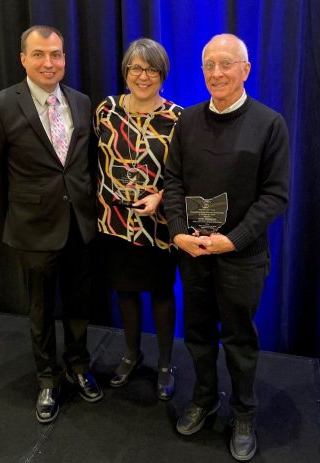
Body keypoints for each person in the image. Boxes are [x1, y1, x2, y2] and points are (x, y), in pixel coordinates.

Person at [163, 34, 289, 461]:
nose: (217, 74)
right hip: (193, 252)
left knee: (239, 339)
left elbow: (275, 195)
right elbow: (173, 181)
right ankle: (204, 398)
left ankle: (244, 411)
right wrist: (178, 231)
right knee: (197, 334)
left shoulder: (269, 124)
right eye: (209, 66)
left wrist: (232, 239)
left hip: (241, 256)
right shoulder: (188, 121)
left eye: (226, 64)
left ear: (245, 70)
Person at [0, 25, 103, 424]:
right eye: (39, 55)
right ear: (23, 59)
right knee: (41, 308)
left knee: (80, 304)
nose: (49, 63)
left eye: (57, 55)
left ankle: (79, 366)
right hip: (33, 229)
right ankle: (48, 379)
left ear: (64, 58)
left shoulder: (82, 102)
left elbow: (87, 165)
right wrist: (25, 207)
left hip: (80, 225)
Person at [94, 38, 183, 400]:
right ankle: (131, 354)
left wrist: (160, 197)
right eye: (136, 68)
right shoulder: (106, 110)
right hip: (114, 220)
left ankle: (164, 363)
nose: (142, 76)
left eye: (151, 69)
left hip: (158, 225)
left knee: (161, 293)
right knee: (125, 291)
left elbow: (184, 173)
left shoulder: (178, 117)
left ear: (162, 75)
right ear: (125, 71)